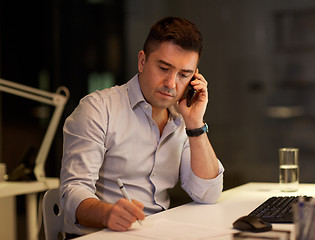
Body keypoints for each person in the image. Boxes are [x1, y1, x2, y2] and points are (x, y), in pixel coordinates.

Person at [59, 16, 224, 238]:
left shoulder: (182, 118)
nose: (171, 83)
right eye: (164, 68)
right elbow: (72, 192)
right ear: (142, 62)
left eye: (183, 75)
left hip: (158, 232)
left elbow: (208, 193)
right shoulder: (98, 109)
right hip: (105, 233)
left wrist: (195, 123)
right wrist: (108, 214)